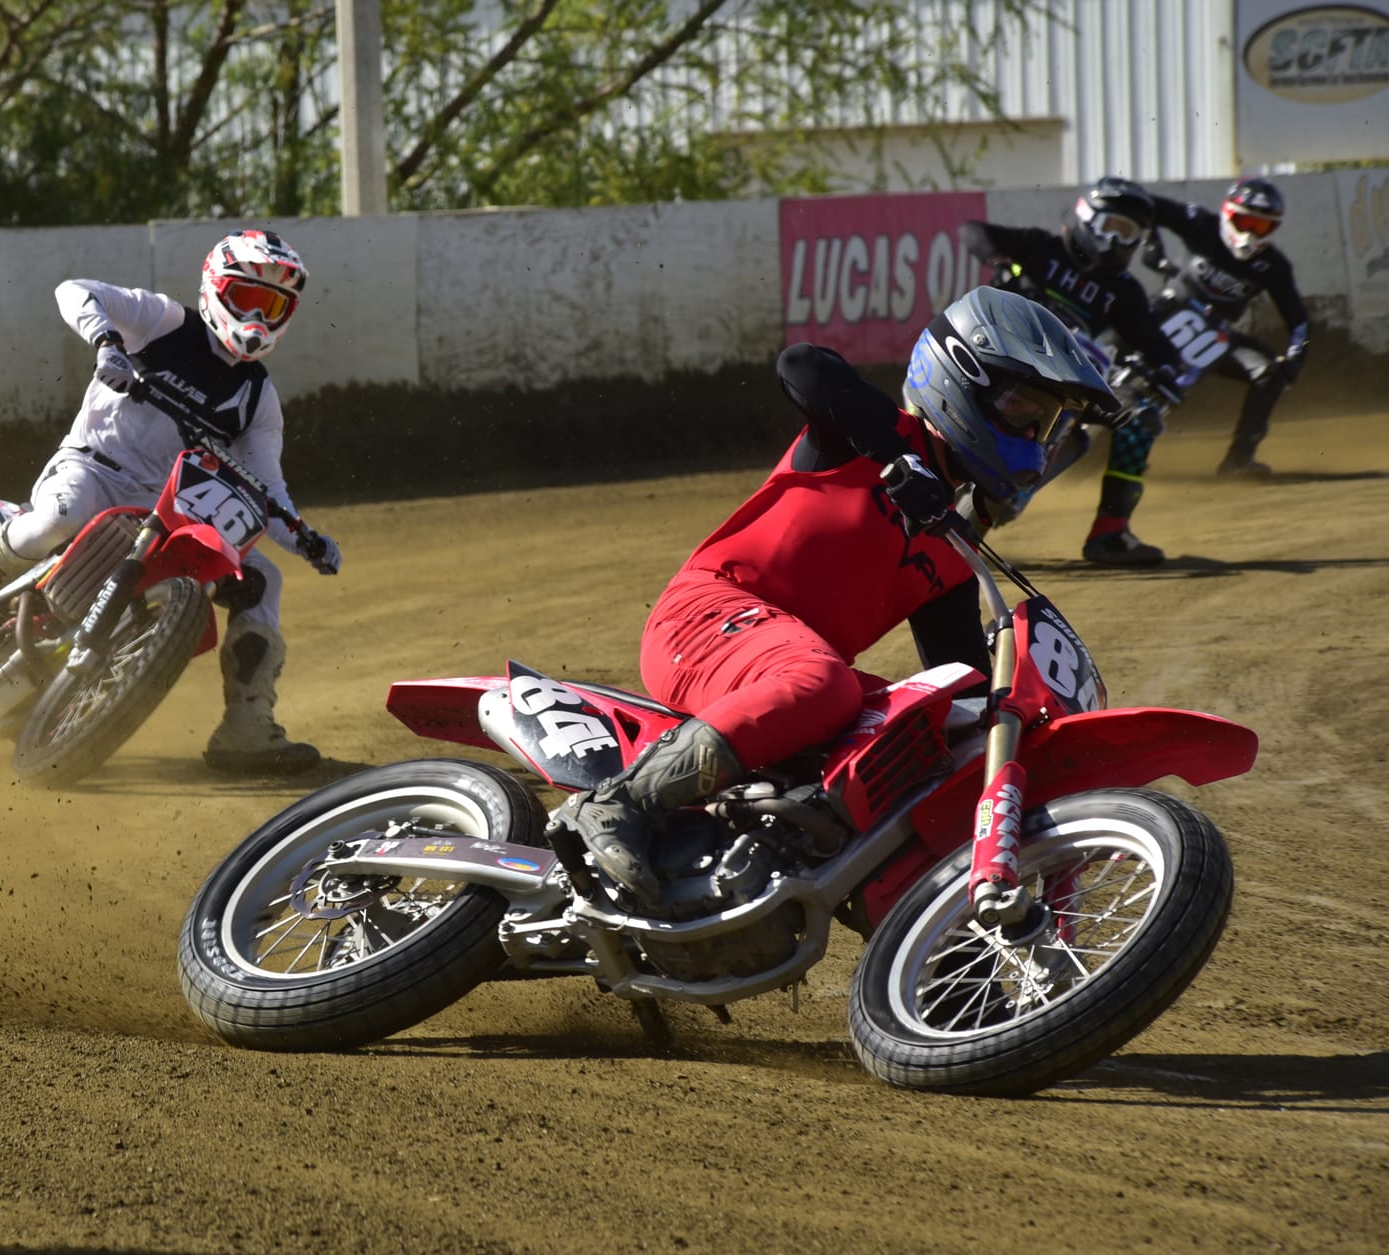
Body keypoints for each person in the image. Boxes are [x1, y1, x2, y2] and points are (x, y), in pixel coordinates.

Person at [550, 286, 1116, 906]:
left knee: (923, 743)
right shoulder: (865, 436)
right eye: (1019, 408)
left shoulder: (952, 554)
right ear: (960, 379)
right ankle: (616, 803)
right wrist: (900, 458)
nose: (1033, 432)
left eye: (1046, 421)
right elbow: (804, 363)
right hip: (706, 618)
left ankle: (943, 975)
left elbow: (963, 686)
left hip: (782, 670)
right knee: (826, 683)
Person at [0, 229, 343, 776]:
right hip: (93, 469)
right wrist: (107, 343)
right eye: (246, 298)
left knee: (264, 580)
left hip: (171, 511)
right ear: (215, 289)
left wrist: (306, 540)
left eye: (272, 304)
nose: (257, 316)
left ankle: (247, 725)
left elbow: (267, 488)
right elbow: (74, 289)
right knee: (61, 513)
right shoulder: (165, 322)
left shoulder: (258, 396)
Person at [961, 176, 1188, 566]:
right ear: (1086, 217)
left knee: (1141, 421)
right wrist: (998, 260)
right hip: (999, 357)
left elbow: (1158, 344)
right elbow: (972, 231)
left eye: (1128, 232)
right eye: (1110, 227)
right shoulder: (1042, 248)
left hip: (1068, 381)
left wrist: (1168, 370)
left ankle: (1111, 533)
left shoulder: (1125, 291)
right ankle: (899, 463)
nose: (1117, 241)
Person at [1140, 176, 1309, 479]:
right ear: (1227, 213)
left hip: (1216, 337)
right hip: (1166, 313)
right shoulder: (1200, 224)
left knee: (1269, 373)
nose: (1249, 233)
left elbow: (1298, 318)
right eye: (1244, 221)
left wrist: (1296, 356)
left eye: (1261, 227)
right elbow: (1143, 205)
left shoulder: (1274, 265)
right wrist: (1152, 246)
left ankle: (1239, 461)